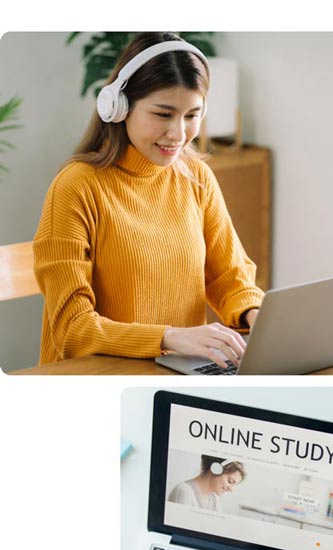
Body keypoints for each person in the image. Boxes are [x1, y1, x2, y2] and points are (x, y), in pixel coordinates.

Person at [33, 32, 263, 368]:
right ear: (118, 107)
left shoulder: (197, 178)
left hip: (176, 374)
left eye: (191, 115)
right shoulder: (76, 187)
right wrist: (169, 337)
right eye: (163, 114)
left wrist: (254, 315)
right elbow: (72, 330)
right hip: (95, 378)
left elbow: (230, 277)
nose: (179, 134)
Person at [168, 456, 246, 512]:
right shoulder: (185, 490)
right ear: (216, 469)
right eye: (230, 481)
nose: (231, 489)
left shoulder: (215, 500)